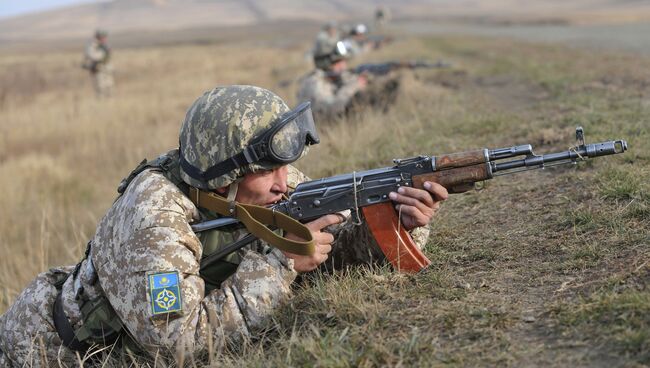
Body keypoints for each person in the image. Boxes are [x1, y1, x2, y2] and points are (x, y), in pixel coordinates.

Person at [0, 85, 447, 367]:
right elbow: (179, 344)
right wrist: (281, 265)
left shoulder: (266, 182)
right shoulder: (154, 220)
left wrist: (398, 223)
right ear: (224, 176)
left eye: (286, 167)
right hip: (45, 353)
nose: (283, 184)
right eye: (267, 171)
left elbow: (329, 247)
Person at [297, 41, 369, 122]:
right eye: (338, 62)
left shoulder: (334, 77)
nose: (343, 66)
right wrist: (353, 86)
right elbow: (331, 109)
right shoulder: (314, 83)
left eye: (343, 61)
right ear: (325, 64)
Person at [82, 29, 114, 98]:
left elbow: (108, 57)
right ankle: (101, 104)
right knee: (100, 88)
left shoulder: (104, 45)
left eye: (105, 37)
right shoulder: (93, 45)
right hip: (97, 70)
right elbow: (91, 55)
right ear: (98, 37)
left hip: (106, 69)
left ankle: (110, 103)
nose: (104, 38)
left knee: (109, 86)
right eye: (103, 37)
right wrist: (102, 54)